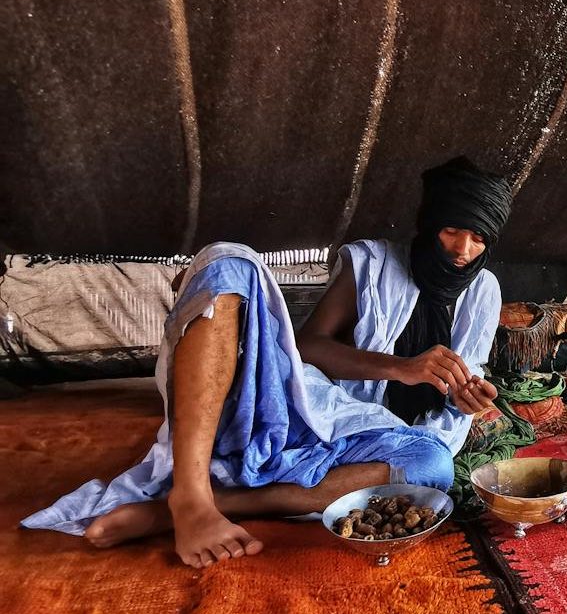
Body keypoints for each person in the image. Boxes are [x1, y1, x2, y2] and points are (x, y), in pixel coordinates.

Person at [22, 157, 510, 568]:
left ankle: (182, 510)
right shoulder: (373, 264)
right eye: (451, 230)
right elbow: (309, 346)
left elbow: (458, 388)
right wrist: (399, 368)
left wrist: (467, 399)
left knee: (433, 466)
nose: (463, 250)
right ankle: (191, 491)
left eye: (478, 239)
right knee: (228, 260)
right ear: (429, 225)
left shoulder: (484, 290)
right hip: (317, 407)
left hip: (377, 440)